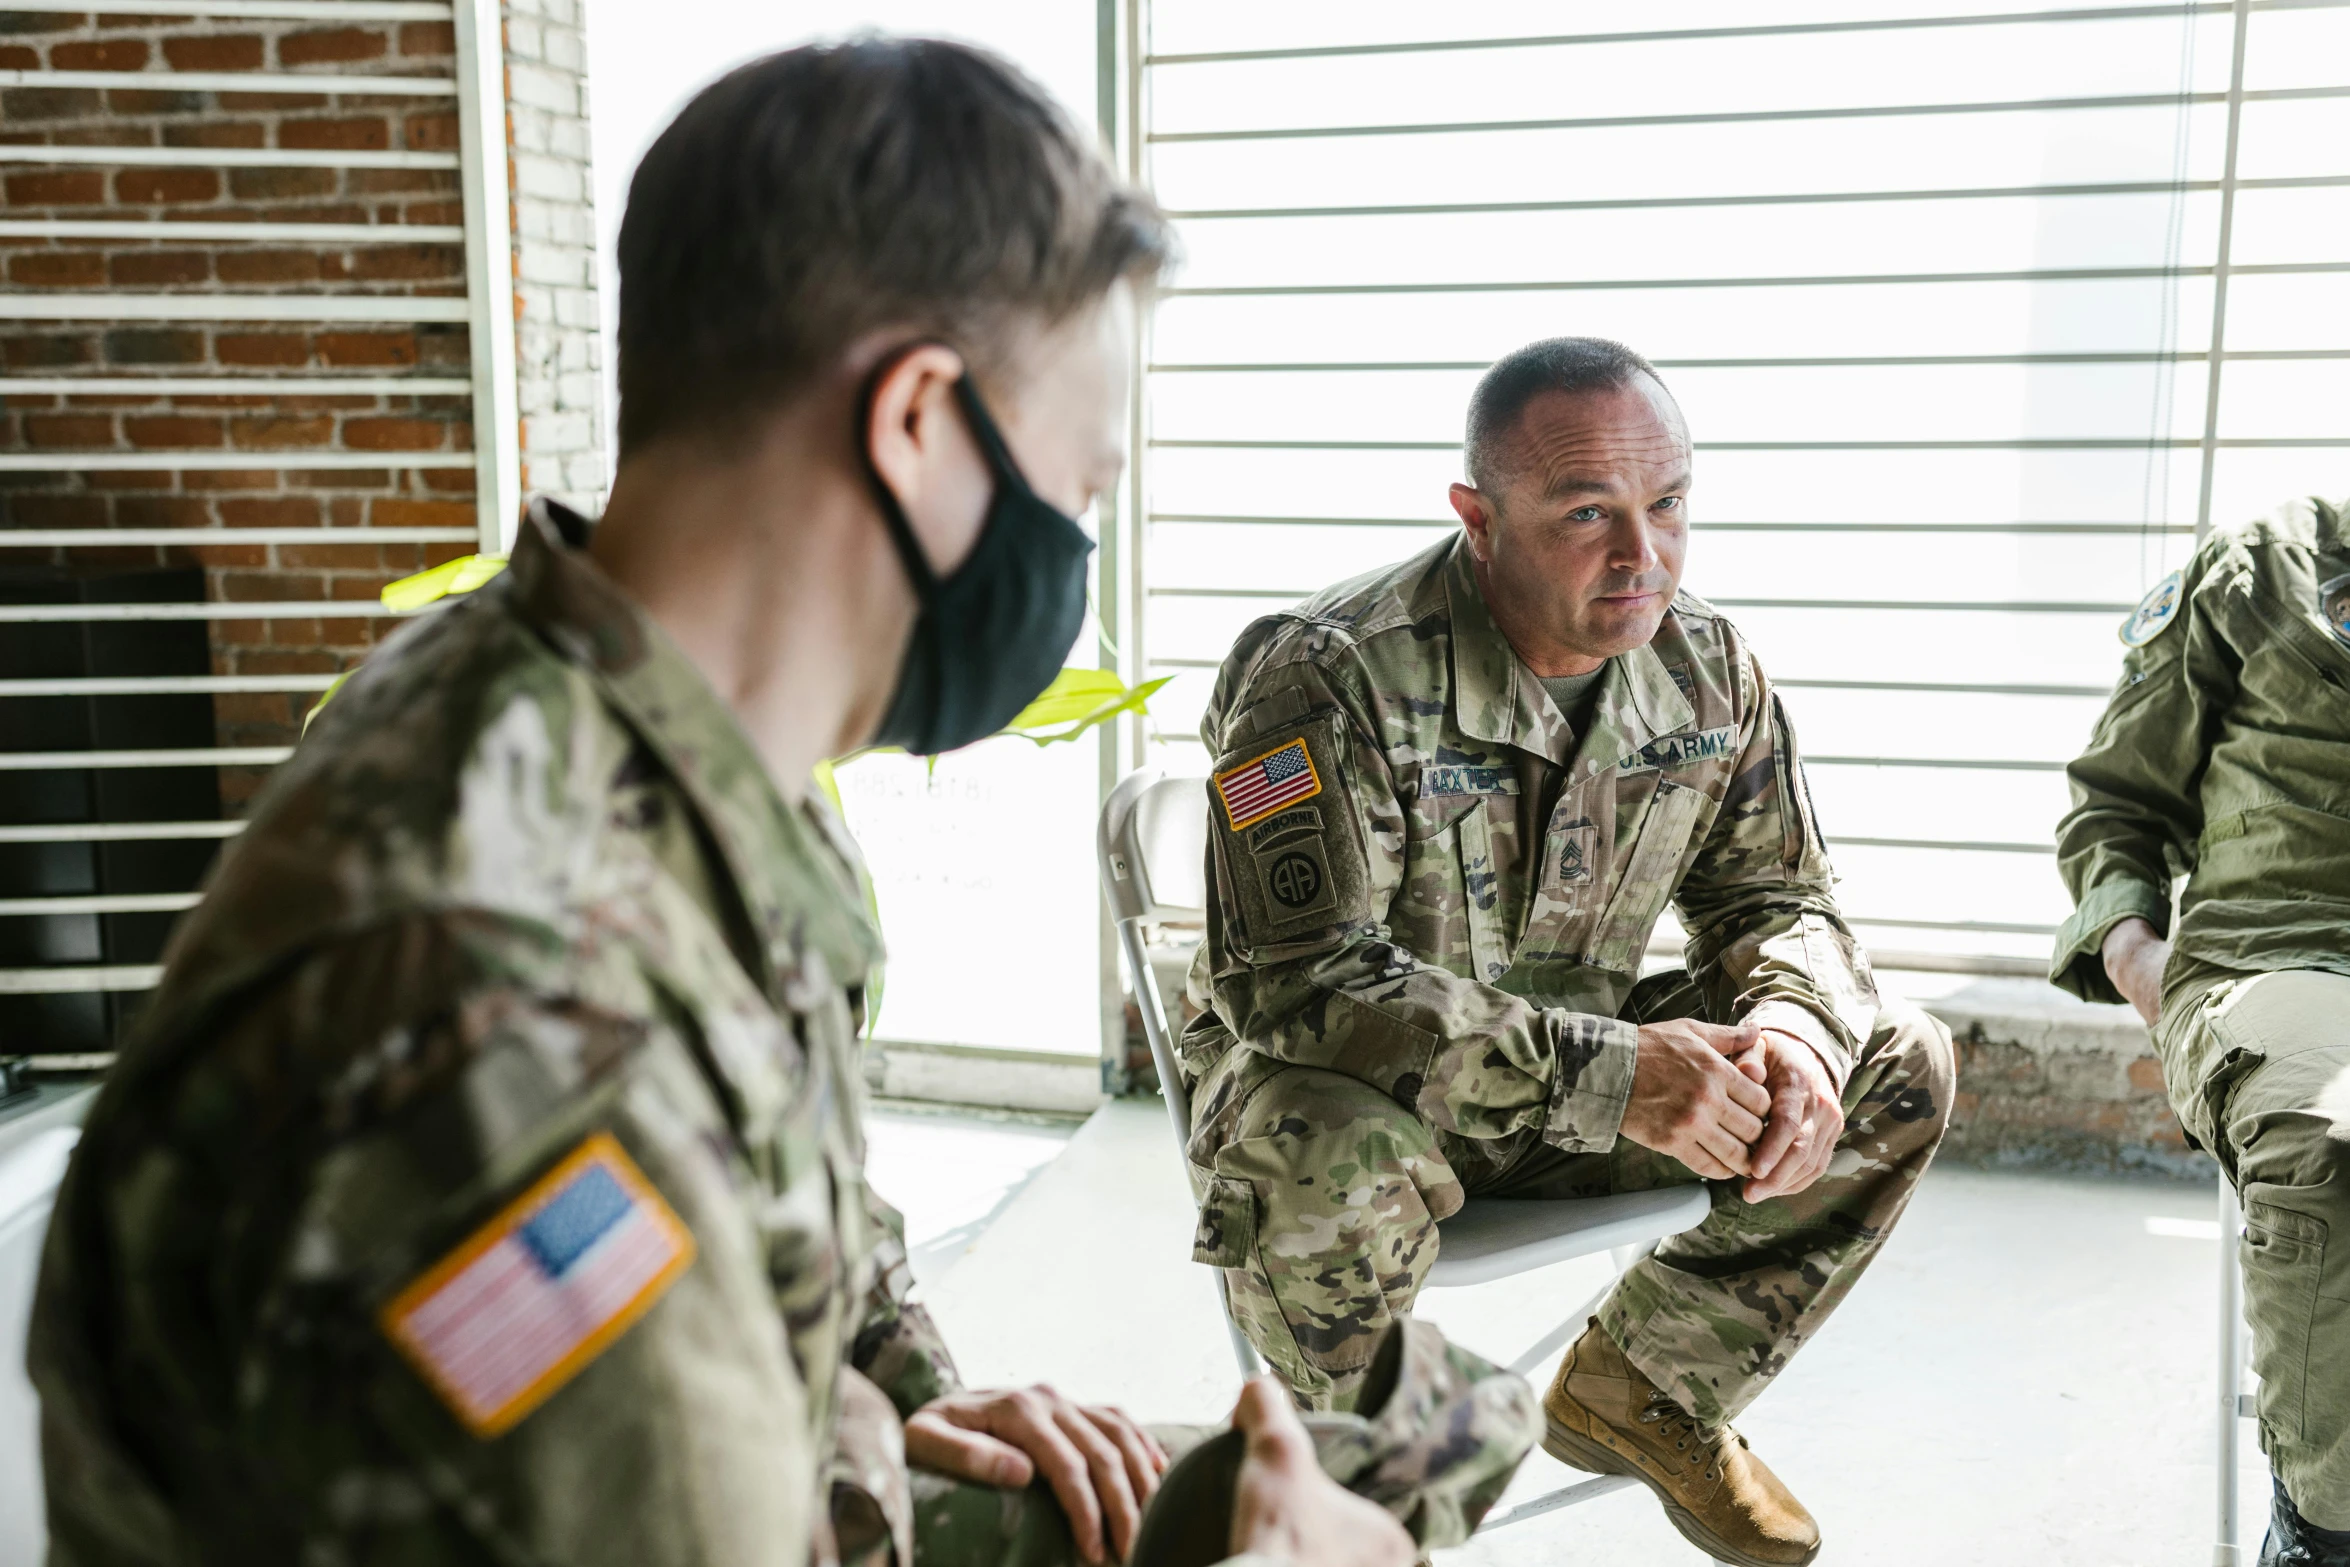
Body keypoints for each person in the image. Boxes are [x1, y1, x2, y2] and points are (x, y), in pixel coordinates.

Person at [28, 40, 1537, 1567]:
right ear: (916, 425)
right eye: (1077, 491)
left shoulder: (651, 734)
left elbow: (781, 1195)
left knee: (1436, 1438)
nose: (1069, 555)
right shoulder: (513, 1015)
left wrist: (898, 1391)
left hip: (747, 1468)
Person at [1176, 336, 1956, 1567]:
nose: (1641, 555)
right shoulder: (1325, 673)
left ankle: (1644, 1387)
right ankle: (1360, 1506)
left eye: (1667, 505)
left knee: (1895, 1057)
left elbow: (1779, 893)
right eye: (1587, 512)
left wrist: (1796, 1032)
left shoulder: (1706, 666)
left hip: (1583, 1093)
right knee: (1321, 1152)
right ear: (1477, 520)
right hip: (1357, 1099)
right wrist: (1623, 1075)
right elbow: (1298, 984)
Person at [2051, 493, 2350, 1566]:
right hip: (2289, 956)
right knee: (2331, 1130)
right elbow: (2114, 805)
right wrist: (2136, 957)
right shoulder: (2266, 569)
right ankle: (2323, 1530)